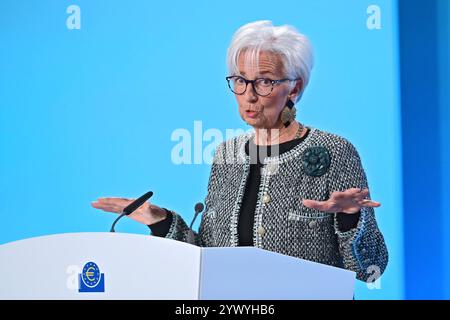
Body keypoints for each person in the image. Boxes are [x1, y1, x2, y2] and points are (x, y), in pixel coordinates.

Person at [92, 20, 388, 282]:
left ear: (294, 88)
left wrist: (350, 216)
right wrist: (161, 220)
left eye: (264, 81)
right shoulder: (226, 155)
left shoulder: (334, 151)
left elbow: (371, 268)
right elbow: (208, 259)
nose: (248, 94)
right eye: (240, 80)